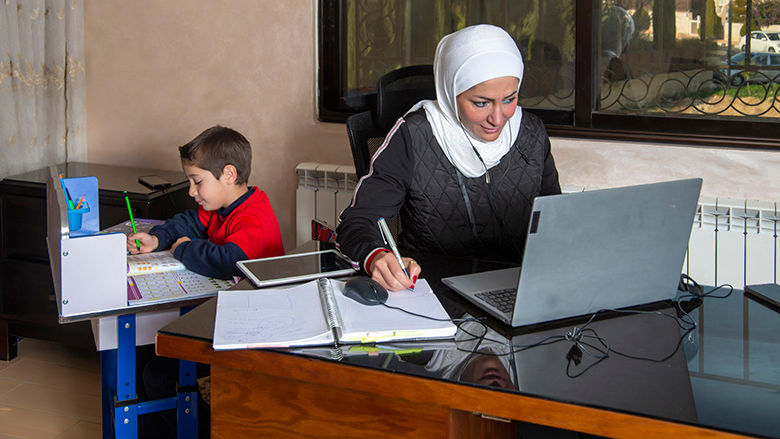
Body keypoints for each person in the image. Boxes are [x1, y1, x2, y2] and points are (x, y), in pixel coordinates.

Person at [336, 24, 561, 291]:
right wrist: (376, 256)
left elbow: (555, 218)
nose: (498, 118)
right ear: (450, 92)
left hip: (521, 288)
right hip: (435, 292)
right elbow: (357, 223)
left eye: (509, 99)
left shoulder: (530, 132)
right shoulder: (414, 136)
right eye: (481, 103)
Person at [128, 125, 284, 279]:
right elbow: (188, 223)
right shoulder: (218, 207)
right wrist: (156, 240)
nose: (191, 191)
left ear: (228, 175)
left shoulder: (253, 216)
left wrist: (185, 249)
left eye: (197, 181)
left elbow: (230, 262)